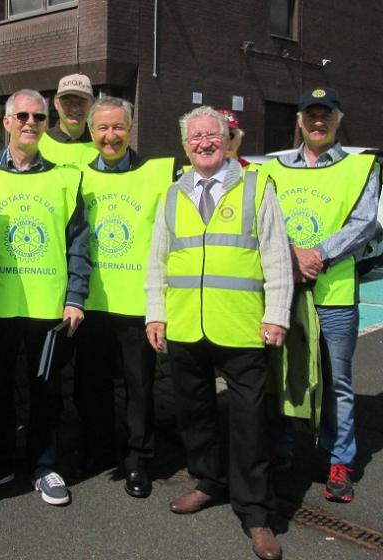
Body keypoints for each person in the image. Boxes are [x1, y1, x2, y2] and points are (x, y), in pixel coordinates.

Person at [145, 106, 292, 560]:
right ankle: (208, 481)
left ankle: (256, 514)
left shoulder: (256, 186)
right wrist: (156, 314)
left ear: (229, 139)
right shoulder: (172, 194)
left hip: (242, 324)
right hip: (187, 323)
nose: (204, 143)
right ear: (185, 145)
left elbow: (275, 255)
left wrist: (278, 314)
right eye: (195, 137)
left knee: (249, 423)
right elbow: (158, 261)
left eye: (213, 135)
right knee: (196, 414)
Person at [0, 89, 90, 506]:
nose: (30, 123)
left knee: (46, 390)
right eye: (22, 116)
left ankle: (45, 466)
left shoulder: (66, 178)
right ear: (6, 122)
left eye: (38, 117)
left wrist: (75, 297)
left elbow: (78, 245)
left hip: (47, 308)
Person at [259, 86, 381, 503]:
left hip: (334, 292)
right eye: (310, 114)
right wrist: (290, 255)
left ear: (338, 120)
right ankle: (282, 449)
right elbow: (262, 217)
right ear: (299, 121)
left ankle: (337, 460)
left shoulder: (361, 167)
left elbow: (364, 224)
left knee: (336, 381)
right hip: (282, 289)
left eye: (326, 114)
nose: (318, 121)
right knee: (281, 372)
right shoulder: (274, 168)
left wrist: (318, 255)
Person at [73, 96, 174, 498]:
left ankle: (138, 460)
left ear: (130, 129)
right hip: (92, 302)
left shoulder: (156, 174)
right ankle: (97, 450)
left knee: (139, 389)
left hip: (138, 305)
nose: (110, 136)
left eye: (117, 127)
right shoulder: (76, 175)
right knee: (89, 386)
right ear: (91, 132)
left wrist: (160, 307)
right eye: (102, 128)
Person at [38, 73, 98, 165]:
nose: (75, 108)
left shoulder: (102, 144)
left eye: (81, 101)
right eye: (67, 101)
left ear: (92, 103)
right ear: (56, 102)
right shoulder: (38, 144)